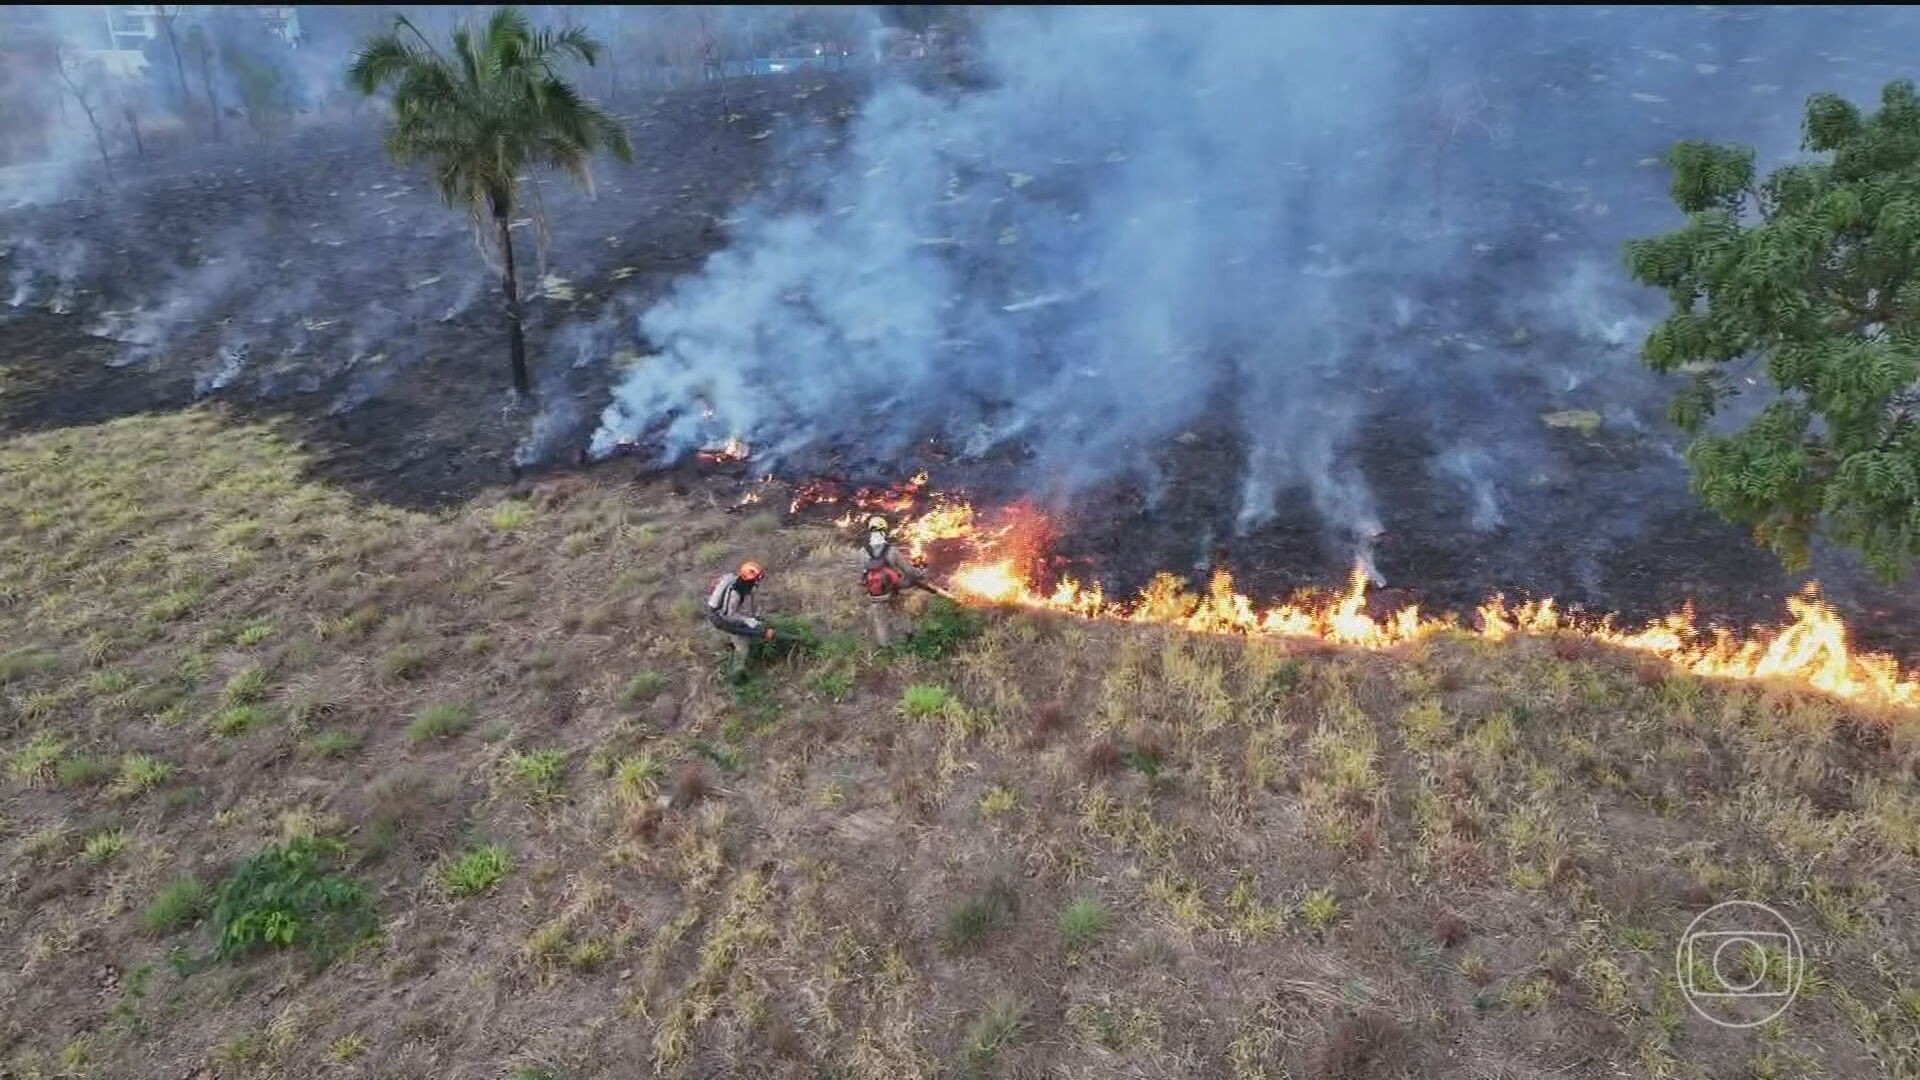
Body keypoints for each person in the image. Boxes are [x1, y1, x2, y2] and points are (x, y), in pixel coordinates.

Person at [861, 515, 925, 647]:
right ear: (884, 531)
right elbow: (908, 570)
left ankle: (885, 646)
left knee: (880, 620)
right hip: (892, 591)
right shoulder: (892, 550)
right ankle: (909, 637)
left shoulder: (863, 551)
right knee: (901, 612)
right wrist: (920, 573)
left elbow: (864, 572)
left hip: (875, 593)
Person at [706, 560, 773, 679]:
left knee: (748, 629)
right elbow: (728, 616)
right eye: (756, 579)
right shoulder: (735, 593)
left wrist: (754, 617)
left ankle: (729, 642)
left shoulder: (745, 585)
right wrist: (747, 621)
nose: (758, 581)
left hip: (728, 613)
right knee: (743, 645)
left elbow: (751, 604)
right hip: (720, 618)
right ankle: (736, 674)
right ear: (748, 579)